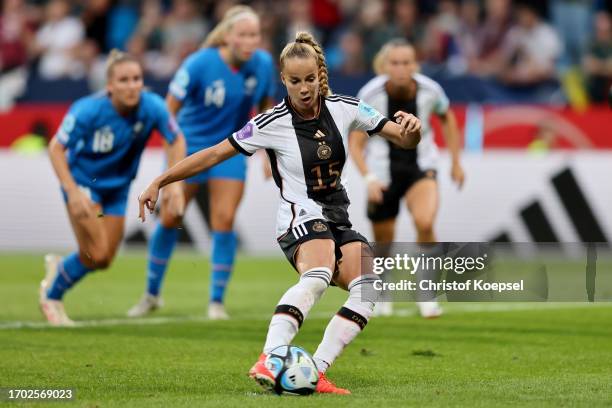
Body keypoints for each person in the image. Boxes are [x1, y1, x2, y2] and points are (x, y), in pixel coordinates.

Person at [137, 31, 421, 394]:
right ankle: (271, 358)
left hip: (338, 216)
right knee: (317, 275)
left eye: (310, 79)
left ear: (321, 75)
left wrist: (414, 129)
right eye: (295, 81)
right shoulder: (271, 122)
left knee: (369, 289)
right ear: (283, 81)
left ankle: (314, 372)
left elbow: (403, 137)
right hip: (299, 216)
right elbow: (213, 154)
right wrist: (161, 180)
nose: (304, 88)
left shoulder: (347, 108)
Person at [127, 5, 276, 320]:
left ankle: (216, 303)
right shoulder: (198, 64)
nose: (250, 41)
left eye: (255, 35)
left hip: (230, 150)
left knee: (223, 221)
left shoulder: (262, 64)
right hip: (190, 148)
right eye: (244, 35)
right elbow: (168, 116)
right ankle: (151, 294)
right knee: (170, 215)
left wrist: (267, 151)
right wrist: (172, 172)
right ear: (227, 36)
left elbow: (265, 111)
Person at [40, 50, 186, 326]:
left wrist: (174, 185)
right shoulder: (87, 110)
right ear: (109, 85)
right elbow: (56, 148)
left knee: (104, 259)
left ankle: (58, 270)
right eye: (124, 80)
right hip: (83, 185)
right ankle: (52, 295)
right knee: (96, 252)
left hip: (118, 189)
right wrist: (71, 191)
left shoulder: (152, 106)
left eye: (136, 79)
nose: (132, 85)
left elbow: (176, 140)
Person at [349, 39, 465, 318]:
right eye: (395, 63)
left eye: (406, 62)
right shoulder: (371, 93)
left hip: (420, 167)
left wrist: (456, 162)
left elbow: (446, 117)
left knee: (425, 221)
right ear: (384, 66)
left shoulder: (430, 90)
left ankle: (426, 293)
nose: (401, 68)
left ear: (415, 65)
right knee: (384, 243)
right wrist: (368, 179)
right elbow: (355, 141)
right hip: (383, 173)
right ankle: (384, 291)